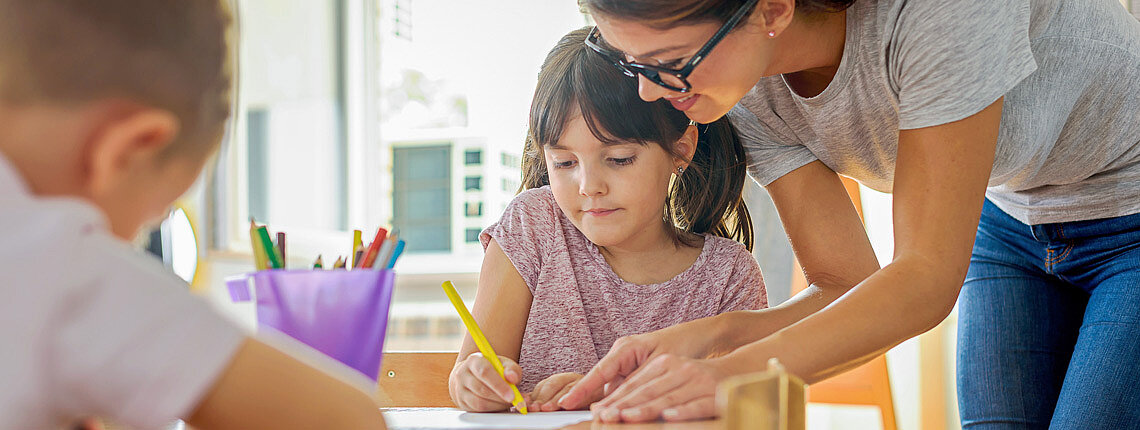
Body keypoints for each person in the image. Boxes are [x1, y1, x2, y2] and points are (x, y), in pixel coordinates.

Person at [556, 0, 1140, 427]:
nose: (651, 94)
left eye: (670, 61)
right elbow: (845, 283)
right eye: (635, 64)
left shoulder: (941, 12)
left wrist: (733, 376)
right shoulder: (745, 88)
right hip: (1011, 215)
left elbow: (924, 280)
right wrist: (705, 340)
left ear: (773, 10)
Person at [0, 1, 388, 428]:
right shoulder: (63, 267)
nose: (131, 244)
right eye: (152, 218)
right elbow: (349, 420)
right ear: (128, 150)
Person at [447, 27, 767, 414]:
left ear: (680, 150)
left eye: (618, 159)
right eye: (564, 163)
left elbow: (746, 406)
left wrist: (606, 397)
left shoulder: (729, 275)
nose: (589, 186)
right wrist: (472, 383)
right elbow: (471, 370)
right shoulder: (532, 225)